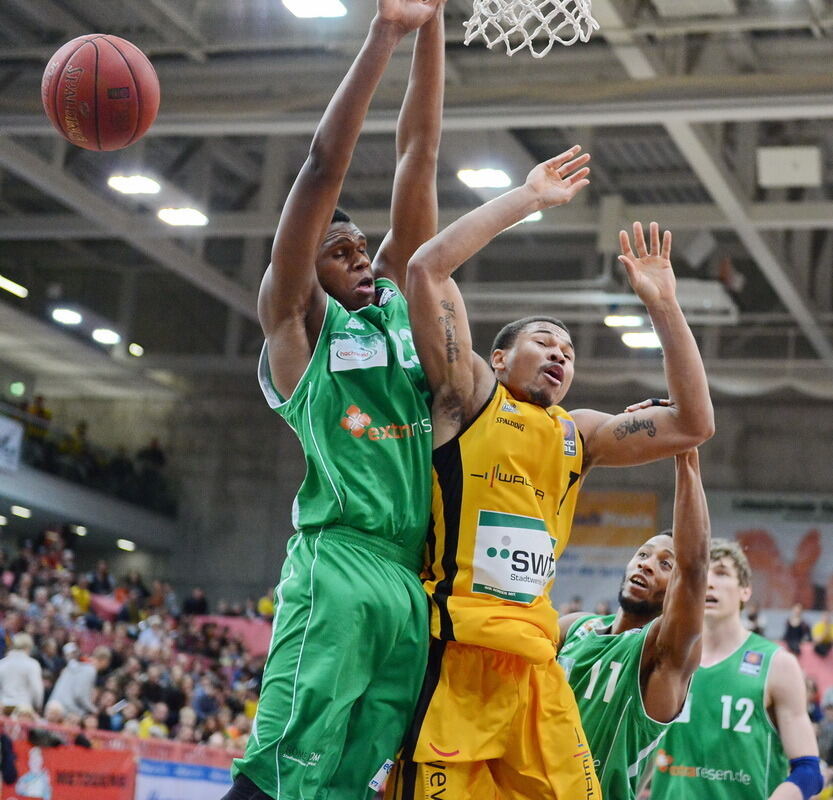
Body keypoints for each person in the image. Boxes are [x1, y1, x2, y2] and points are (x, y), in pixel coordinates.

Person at [385, 150, 714, 800]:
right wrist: (527, 200)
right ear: (500, 356)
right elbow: (425, 267)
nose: (559, 354)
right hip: (455, 651)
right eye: (544, 341)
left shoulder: (578, 434)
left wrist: (663, 306)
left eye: (568, 351)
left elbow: (693, 423)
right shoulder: (468, 395)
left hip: (536, 667)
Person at [227, 2, 446, 799]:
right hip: (339, 562)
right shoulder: (297, 331)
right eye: (338, 250)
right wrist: (385, 33)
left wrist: (434, 27)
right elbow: (323, 167)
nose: (358, 257)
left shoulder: (396, 305)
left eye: (363, 249)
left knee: (350, 785)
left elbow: (417, 157)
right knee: (283, 771)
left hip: (407, 579)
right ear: (306, 273)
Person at [557, 449, 710, 799]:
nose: (647, 565)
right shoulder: (575, 627)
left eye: (665, 564)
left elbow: (695, 568)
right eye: (643, 554)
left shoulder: (660, 655)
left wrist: (686, 453)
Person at [649, 539, 823, 800]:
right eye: (701, 573)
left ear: (745, 591)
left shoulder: (778, 664)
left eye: (721, 573)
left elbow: (809, 771)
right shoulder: (665, 659)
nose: (708, 582)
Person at [47, 642, 96, 718]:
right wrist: (93, 710)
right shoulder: (89, 670)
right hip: (64, 711)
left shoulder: (74, 668)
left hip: (53, 706)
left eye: (74, 652)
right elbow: (80, 695)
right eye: (70, 653)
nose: (73, 655)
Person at [0, 633, 43, 715]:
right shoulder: (32, 664)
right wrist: (38, 705)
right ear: (28, 647)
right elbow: (37, 689)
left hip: (3, 706)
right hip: (23, 708)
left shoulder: (2, 663)